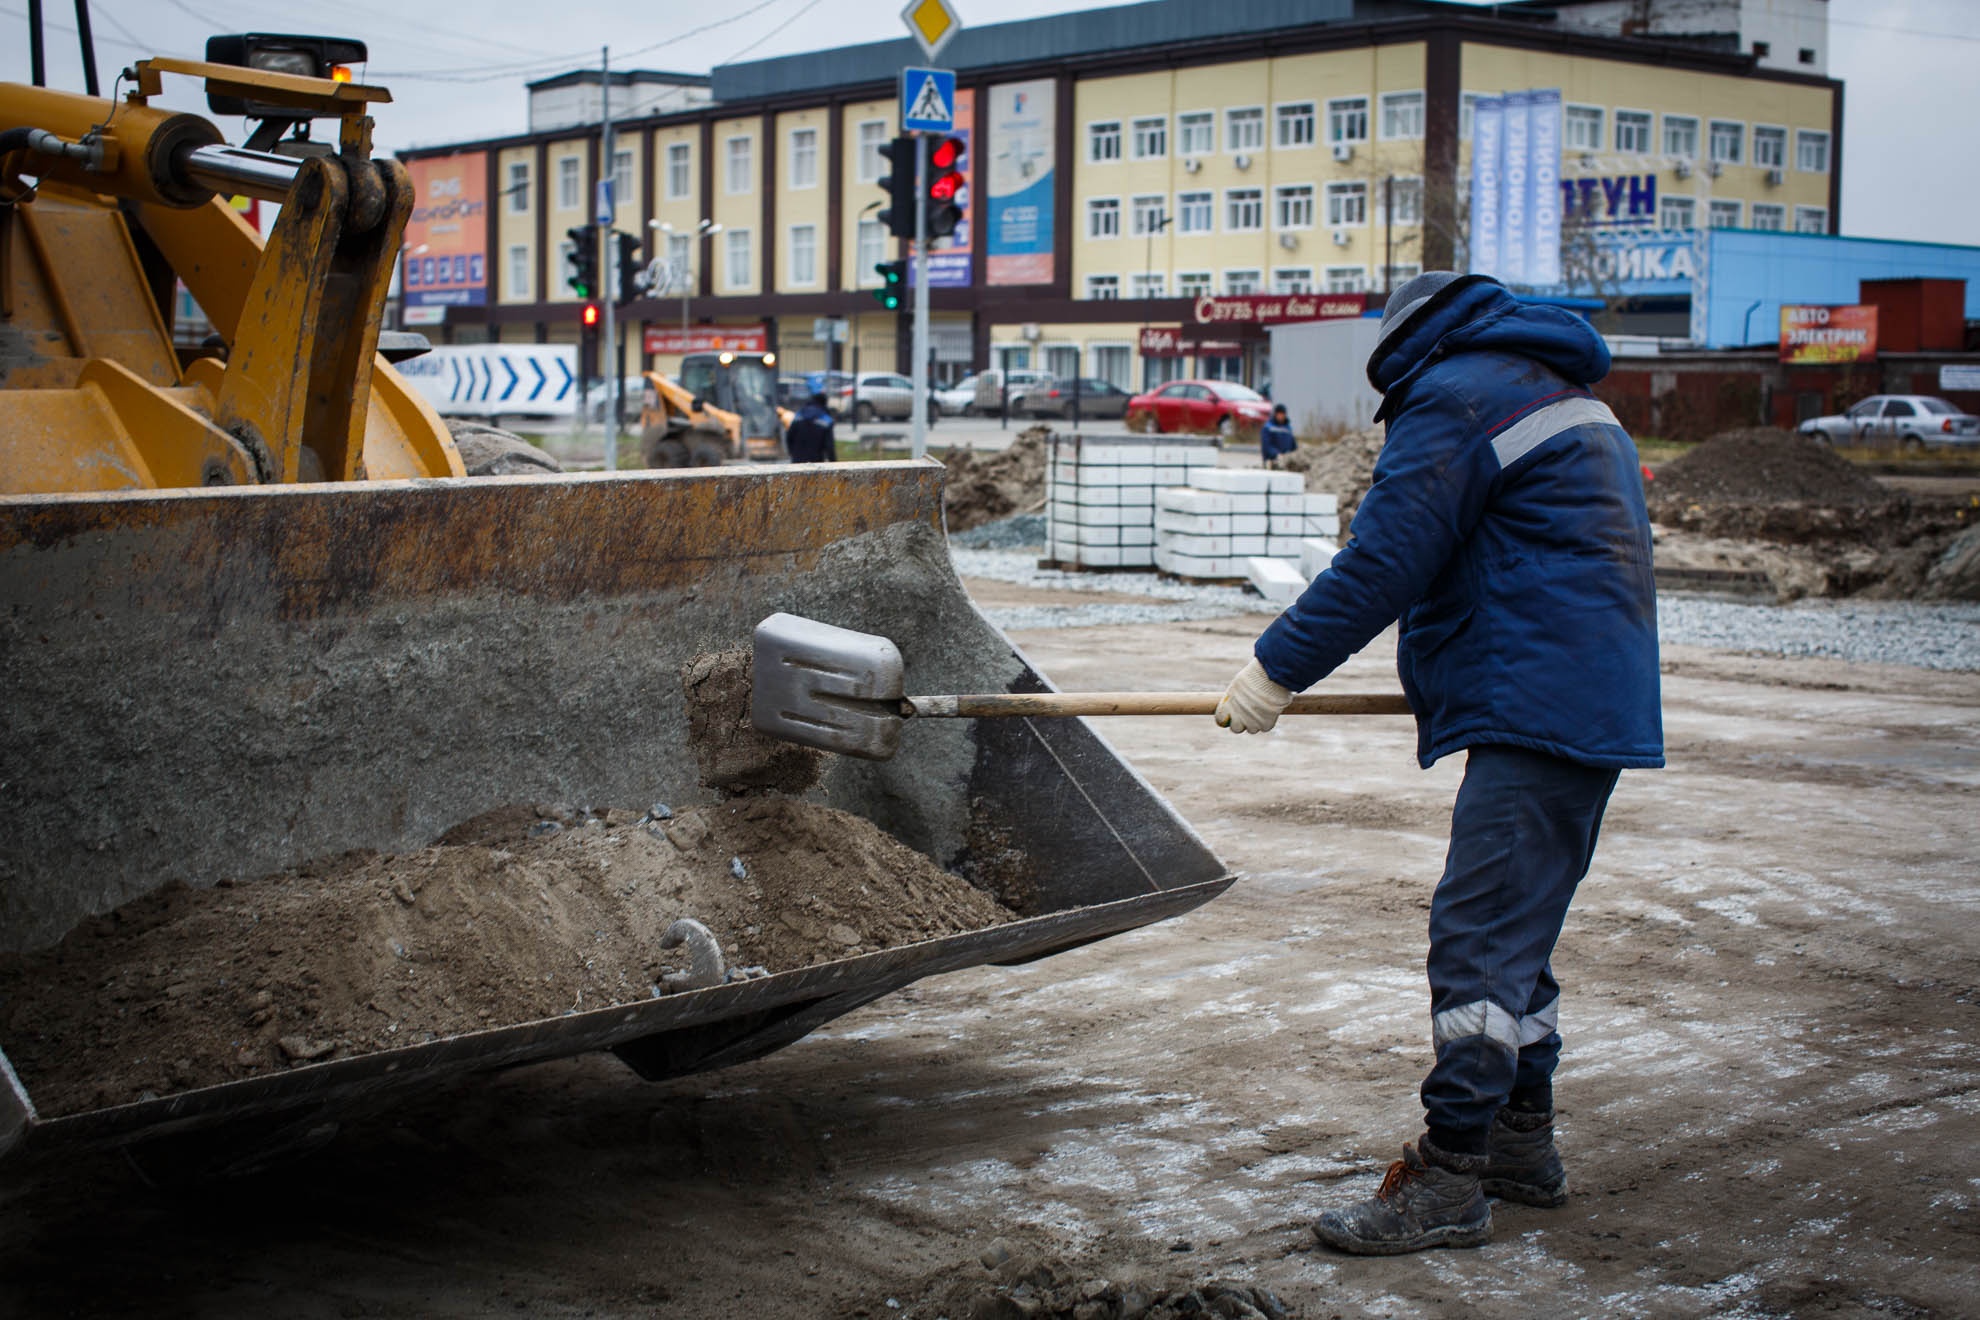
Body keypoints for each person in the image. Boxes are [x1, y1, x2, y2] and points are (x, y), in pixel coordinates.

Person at [1214, 271, 1663, 1255]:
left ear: (1406, 346)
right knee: (1516, 932)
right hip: (1581, 694)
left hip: (1543, 702)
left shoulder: (1457, 394)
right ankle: (1518, 1139)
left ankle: (1451, 1176)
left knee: (1479, 938)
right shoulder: (1548, 387)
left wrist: (1273, 670)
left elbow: (1386, 558)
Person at [784, 392, 836, 463]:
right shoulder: (826, 419)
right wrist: (833, 463)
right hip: (816, 461)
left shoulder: (799, 415)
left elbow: (789, 437)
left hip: (797, 459)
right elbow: (830, 446)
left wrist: (791, 452)